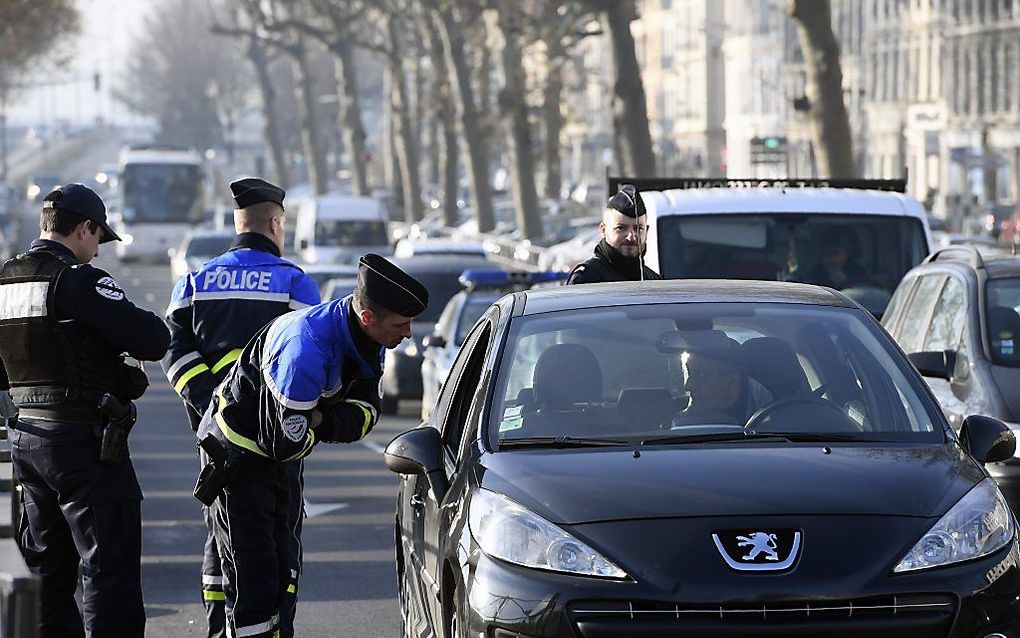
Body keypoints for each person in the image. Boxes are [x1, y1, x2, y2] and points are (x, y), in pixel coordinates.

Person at [196, 253, 427, 638]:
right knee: (255, 579)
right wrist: (329, 417)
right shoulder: (306, 350)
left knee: (285, 572)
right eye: (400, 324)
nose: (408, 334)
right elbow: (285, 440)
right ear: (368, 317)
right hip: (238, 460)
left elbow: (368, 411)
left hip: (277, 460)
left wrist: (320, 418)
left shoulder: (366, 335)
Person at [0, 183, 170, 637]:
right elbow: (155, 339)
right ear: (84, 228)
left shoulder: (5, 279)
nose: (96, 251)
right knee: (107, 569)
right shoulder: (77, 280)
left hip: (26, 440)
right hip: (83, 445)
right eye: (97, 239)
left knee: (46, 574)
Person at [162, 177, 319, 638]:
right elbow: (309, 359)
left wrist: (212, 403)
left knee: (221, 537)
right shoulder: (295, 283)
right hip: (273, 445)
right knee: (274, 551)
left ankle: (218, 626)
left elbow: (173, 350)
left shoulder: (195, 281)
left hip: (214, 442)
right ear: (275, 225)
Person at [669, 332, 772, 428]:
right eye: (688, 372)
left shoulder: (769, 428)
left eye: (701, 375)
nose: (688, 386)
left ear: (733, 383)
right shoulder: (671, 421)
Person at [567, 184, 661, 284]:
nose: (631, 236)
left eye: (638, 228)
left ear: (646, 231)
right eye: (621, 228)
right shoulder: (587, 279)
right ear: (603, 230)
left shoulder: (653, 280)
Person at [802, 229, 873, 291]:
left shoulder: (859, 273)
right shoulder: (813, 275)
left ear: (847, 254)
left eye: (837, 254)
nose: (831, 259)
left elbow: (866, 295)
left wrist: (844, 283)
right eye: (826, 254)